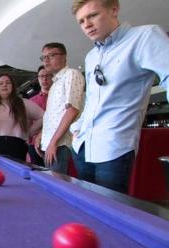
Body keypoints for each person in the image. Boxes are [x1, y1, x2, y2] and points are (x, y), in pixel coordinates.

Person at [70, 0, 169, 192]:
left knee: (108, 216)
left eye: (92, 15)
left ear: (114, 9)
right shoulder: (91, 56)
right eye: (81, 21)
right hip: (82, 147)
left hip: (114, 148)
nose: (87, 25)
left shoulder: (144, 37)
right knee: (88, 211)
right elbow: (91, 99)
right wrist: (78, 127)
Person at [35, 42, 85, 174]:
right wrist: (41, 135)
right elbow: (54, 115)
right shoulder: (55, 83)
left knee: (55, 188)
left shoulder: (71, 74)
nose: (46, 60)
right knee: (49, 186)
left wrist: (53, 142)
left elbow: (72, 110)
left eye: (51, 55)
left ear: (64, 57)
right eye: (44, 57)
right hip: (51, 143)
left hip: (60, 144)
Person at [0, 74, 43, 161]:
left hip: (16, 147)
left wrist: (30, 132)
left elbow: (44, 117)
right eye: (1, 83)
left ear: (13, 86)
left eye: (8, 83)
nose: (4, 85)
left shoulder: (24, 103)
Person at [28, 65, 53, 166]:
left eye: (47, 75)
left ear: (53, 77)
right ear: (38, 79)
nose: (44, 78)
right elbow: (28, 124)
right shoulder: (31, 101)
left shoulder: (59, 98)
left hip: (55, 144)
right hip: (34, 145)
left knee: (55, 177)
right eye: (41, 76)